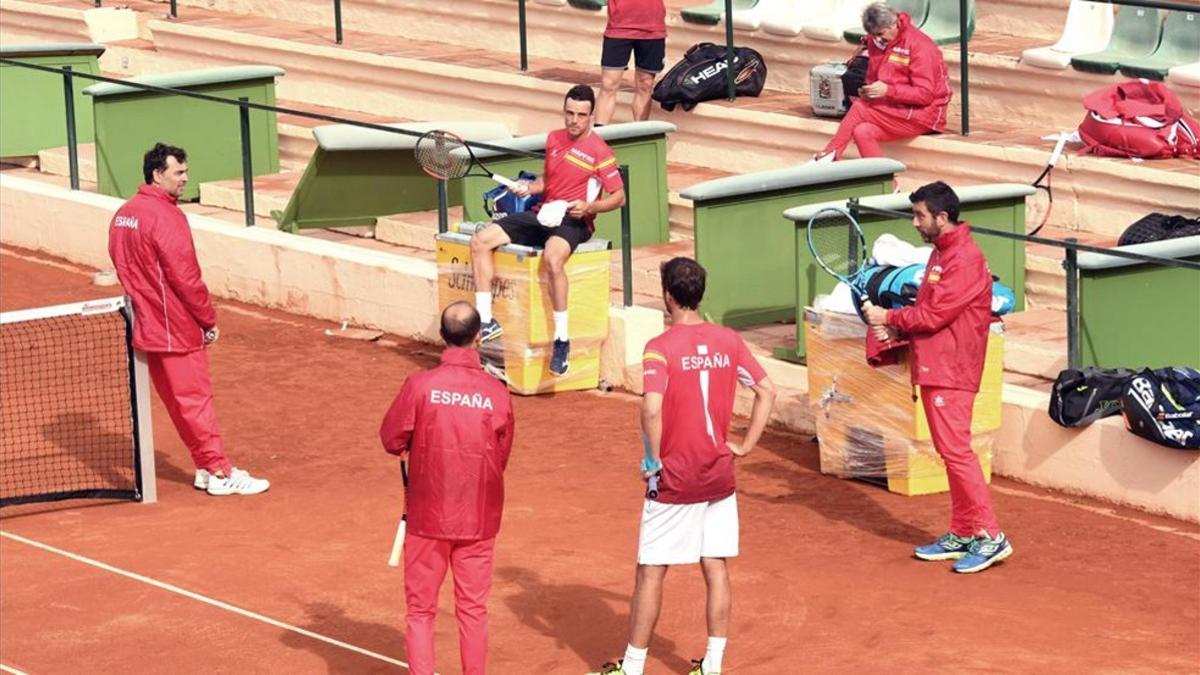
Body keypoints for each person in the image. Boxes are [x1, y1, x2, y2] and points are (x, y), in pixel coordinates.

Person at [591, 258, 777, 675]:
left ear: (668, 295)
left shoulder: (660, 347)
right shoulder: (729, 341)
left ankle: (633, 668)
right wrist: (745, 446)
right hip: (719, 475)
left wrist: (654, 461)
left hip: (675, 479)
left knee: (651, 571)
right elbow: (767, 390)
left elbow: (651, 409)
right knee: (715, 567)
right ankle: (712, 667)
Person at [863, 181, 1014, 574]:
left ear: (942, 218)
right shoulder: (942, 254)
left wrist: (888, 317)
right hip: (935, 365)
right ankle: (963, 531)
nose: (915, 223)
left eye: (920, 215)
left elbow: (933, 316)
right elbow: (929, 310)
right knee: (951, 453)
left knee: (958, 453)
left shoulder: (964, 259)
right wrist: (899, 332)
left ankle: (991, 536)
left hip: (952, 370)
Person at [107, 143, 269, 497]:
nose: (185, 178)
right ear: (157, 174)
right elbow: (186, 277)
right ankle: (221, 472)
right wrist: (207, 320)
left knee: (179, 404)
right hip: (176, 329)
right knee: (196, 401)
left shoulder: (124, 214)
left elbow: (123, 265)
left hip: (145, 328)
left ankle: (205, 467)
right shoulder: (166, 217)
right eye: (178, 172)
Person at [379, 301, 515, 675]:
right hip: (478, 517)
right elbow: (501, 454)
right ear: (477, 338)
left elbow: (391, 439)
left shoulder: (419, 386)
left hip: (427, 517)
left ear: (442, 336)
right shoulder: (496, 392)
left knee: (420, 611)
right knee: (473, 610)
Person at [469, 84, 626, 377]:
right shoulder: (554, 139)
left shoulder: (600, 151)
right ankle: (487, 320)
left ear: (591, 115)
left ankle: (561, 340)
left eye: (581, 115)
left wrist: (591, 208)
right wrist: (529, 187)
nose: (574, 120)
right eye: (569, 113)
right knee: (480, 241)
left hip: (574, 219)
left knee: (553, 259)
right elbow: (548, 181)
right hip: (542, 213)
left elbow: (619, 196)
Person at [816, 3, 951, 161]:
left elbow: (925, 95)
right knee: (862, 131)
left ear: (893, 24)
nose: (878, 39)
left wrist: (888, 90)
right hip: (895, 110)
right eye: (873, 35)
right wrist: (869, 92)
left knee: (860, 108)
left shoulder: (920, 46)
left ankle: (831, 154)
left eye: (880, 34)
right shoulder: (876, 42)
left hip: (925, 114)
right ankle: (890, 185)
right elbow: (875, 79)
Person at [596, 0, 668, 125]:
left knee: (645, 85)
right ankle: (597, 136)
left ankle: (641, 135)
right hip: (619, 26)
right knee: (608, 84)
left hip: (652, 26)